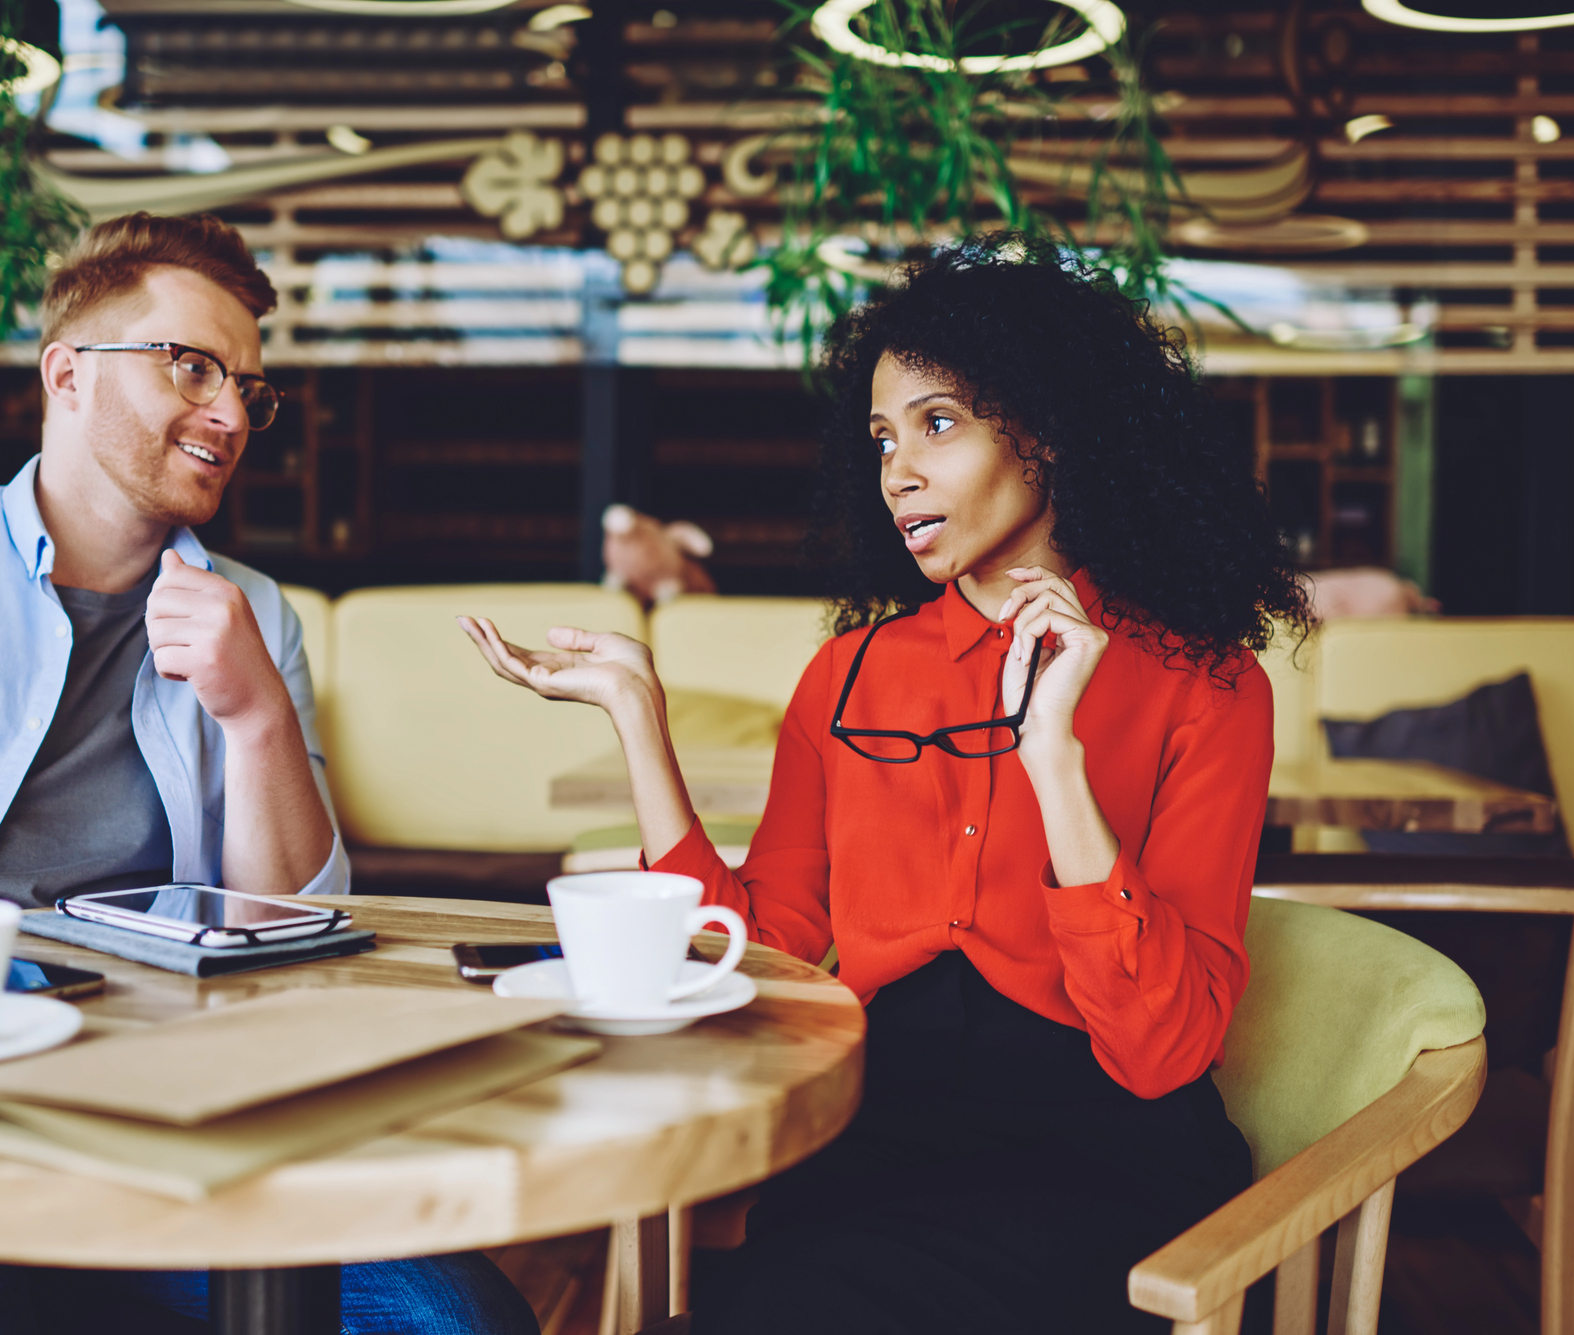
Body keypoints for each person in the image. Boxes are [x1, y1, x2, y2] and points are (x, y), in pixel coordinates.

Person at [0, 213, 539, 1335]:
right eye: (191, 366)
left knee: (450, 1317)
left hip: (157, 1118)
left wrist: (256, 711)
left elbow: (296, 927)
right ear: (67, 375)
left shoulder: (253, 613)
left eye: (248, 389)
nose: (230, 413)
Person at [460, 236, 1313, 1333]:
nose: (896, 470)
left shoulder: (1205, 682)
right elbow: (758, 954)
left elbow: (1161, 1049)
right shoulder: (848, 673)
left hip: (1097, 1165)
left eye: (936, 423)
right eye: (879, 438)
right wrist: (641, 724)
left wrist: (1053, 759)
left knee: (775, 1307)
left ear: (1046, 431)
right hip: (867, 1140)